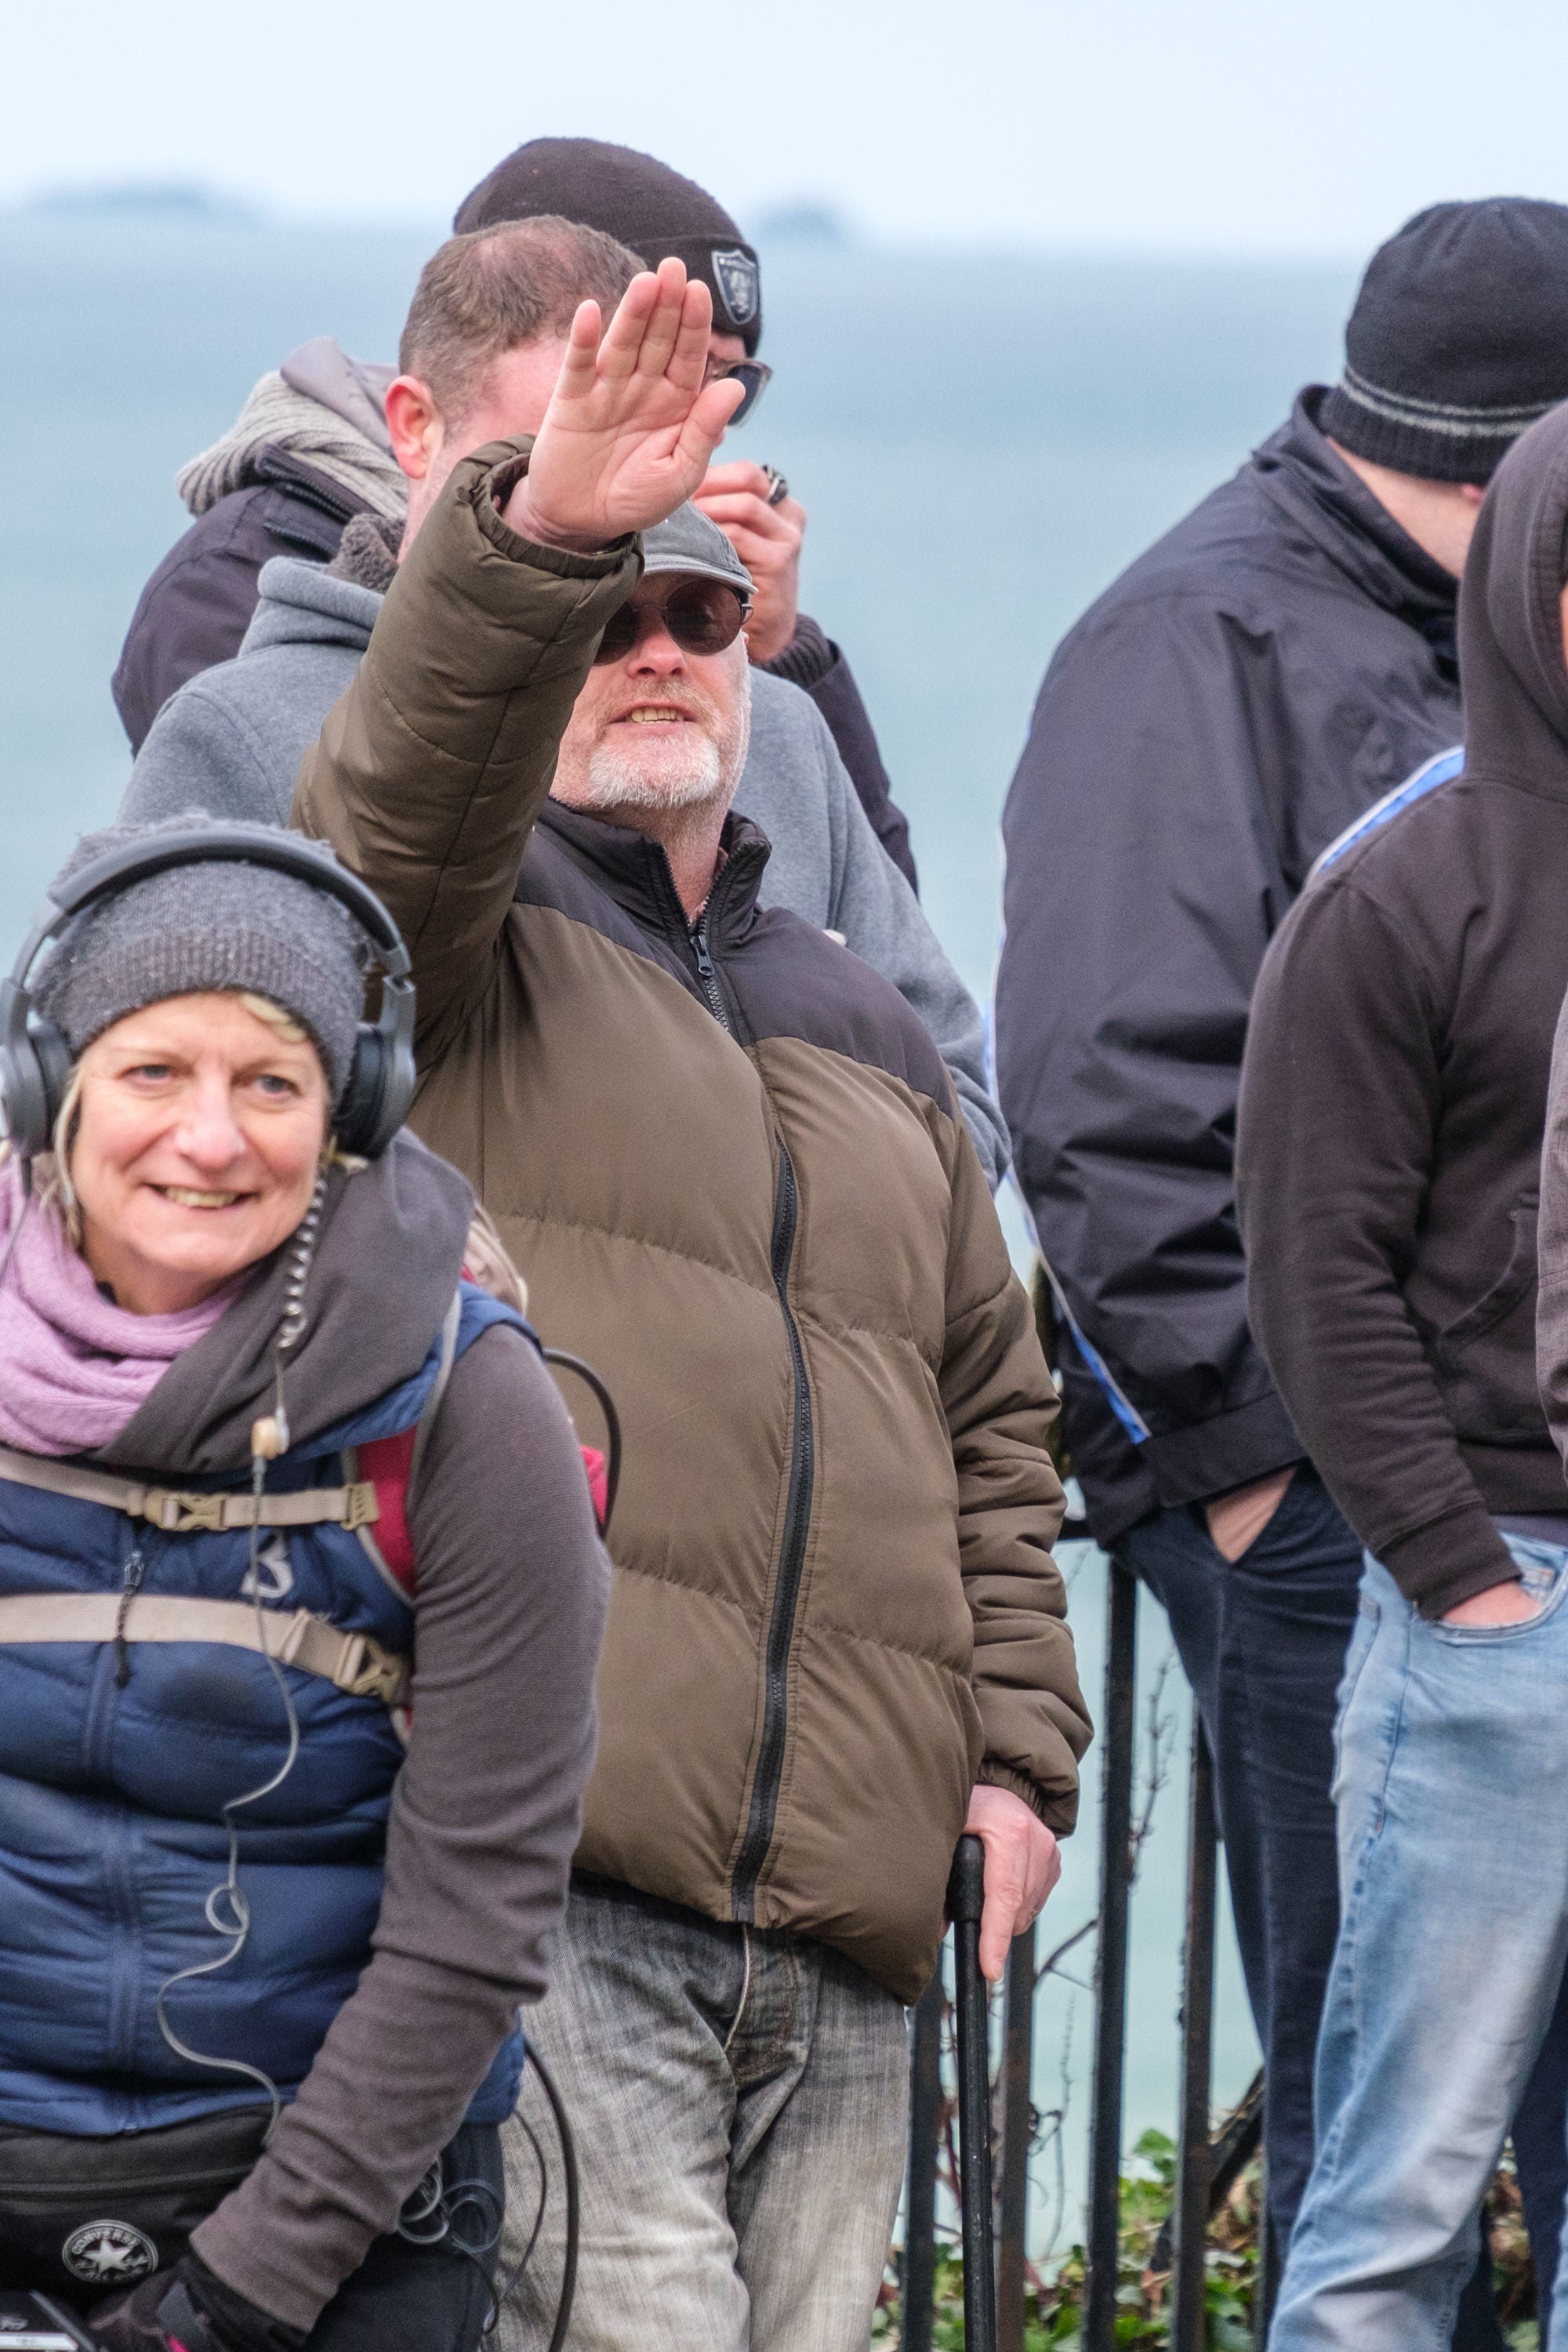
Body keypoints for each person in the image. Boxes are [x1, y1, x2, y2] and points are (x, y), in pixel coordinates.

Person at [289, 254, 1090, 2352]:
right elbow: (383, 827)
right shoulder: (451, 957)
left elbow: (997, 1427)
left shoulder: (857, 1017)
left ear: (759, 663)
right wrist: (536, 542)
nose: (657, 650)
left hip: (845, 1915)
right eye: (610, 622)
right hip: (564, 1885)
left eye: (696, 617)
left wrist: (1015, 1760)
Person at [994, 195, 1568, 2282]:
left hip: (1500, 1485)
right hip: (1339, 1504)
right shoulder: (1195, 642)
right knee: (1392, 2136)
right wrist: (1269, 1489)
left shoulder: (1471, 633)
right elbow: (1107, 1099)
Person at [0, 815, 608, 2351]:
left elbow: (477, 1912)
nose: (208, 1139)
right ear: (46, 1090)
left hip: (334, 2214)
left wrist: (241, 2297)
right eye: (152, 1072)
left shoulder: (470, 1407)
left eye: (269, 1083)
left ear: (351, 1110)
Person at [118, 216, 1009, 1186]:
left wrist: (790, 1271)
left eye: (630, 438)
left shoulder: (773, 724)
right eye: (549, 449)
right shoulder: (244, 730)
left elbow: (953, 1097)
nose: (592, 491)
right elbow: (171, 1130)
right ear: (414, 427)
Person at [1236, 394, 1568, 2346]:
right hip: (1491, 1618)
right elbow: (1308, 1266)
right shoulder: (1402, 888)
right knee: (1391, 2208)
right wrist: (1463, 1580)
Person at [111, 146, 916, 898]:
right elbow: (353, 901)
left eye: (728, 388)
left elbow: (870, 941)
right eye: (649, 374)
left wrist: (763, 647)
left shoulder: (707, 641)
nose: (684, 437)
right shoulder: (243, 578)